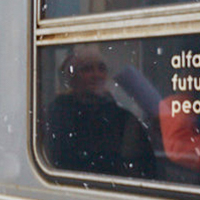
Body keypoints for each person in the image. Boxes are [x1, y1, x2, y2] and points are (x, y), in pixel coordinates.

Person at [44, 45, 155, 179]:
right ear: (71, 78)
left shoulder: (124, 120)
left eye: (101, 68)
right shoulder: (56, 116)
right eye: (87, 69)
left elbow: (146, 169)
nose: (96, 75)